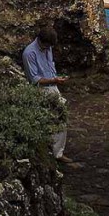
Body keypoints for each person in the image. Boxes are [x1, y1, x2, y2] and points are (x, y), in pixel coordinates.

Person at [21, 25, 73, 164]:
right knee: (58, 116)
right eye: (47, 46)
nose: (48, 49)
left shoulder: (48, 48)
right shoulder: (29, 53)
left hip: (52, 86)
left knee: (60, 117)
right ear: (40, 41)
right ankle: (56, 152)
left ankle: (56, 150)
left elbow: (50, 65)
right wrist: (54, 80)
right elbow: (35, 79)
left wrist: (55, 80)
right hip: (41, 89)